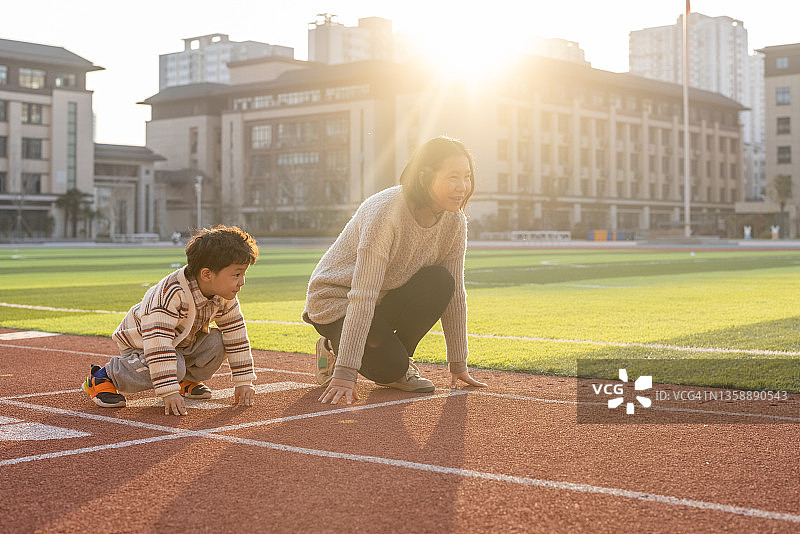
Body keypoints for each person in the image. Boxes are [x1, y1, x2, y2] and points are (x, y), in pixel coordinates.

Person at [303, 135, 488, 405]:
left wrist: (458, 364)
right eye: (452, 177)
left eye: (466, 177)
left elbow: (455, 295)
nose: (462, 187)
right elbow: (362, 295)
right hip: (338, 301)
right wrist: (345, 373)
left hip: (383, 299)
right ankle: (335, 348)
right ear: (425, 177)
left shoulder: (455, 220)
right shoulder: (385, 213)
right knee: (388, 367)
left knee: (440, 282)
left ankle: (400, 363)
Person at [82, 225, 259, 416]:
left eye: (243, 274)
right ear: (207, 274)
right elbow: (158, 344)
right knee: (175, 365)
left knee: (218, 342)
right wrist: (169, 391)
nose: (242, 282)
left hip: (179, 344)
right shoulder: (170, 294)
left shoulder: (223, 295)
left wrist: (243, 380)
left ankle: (184, 381)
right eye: (237, 274)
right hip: (143, 344)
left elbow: (237, 334)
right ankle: (103, 376)